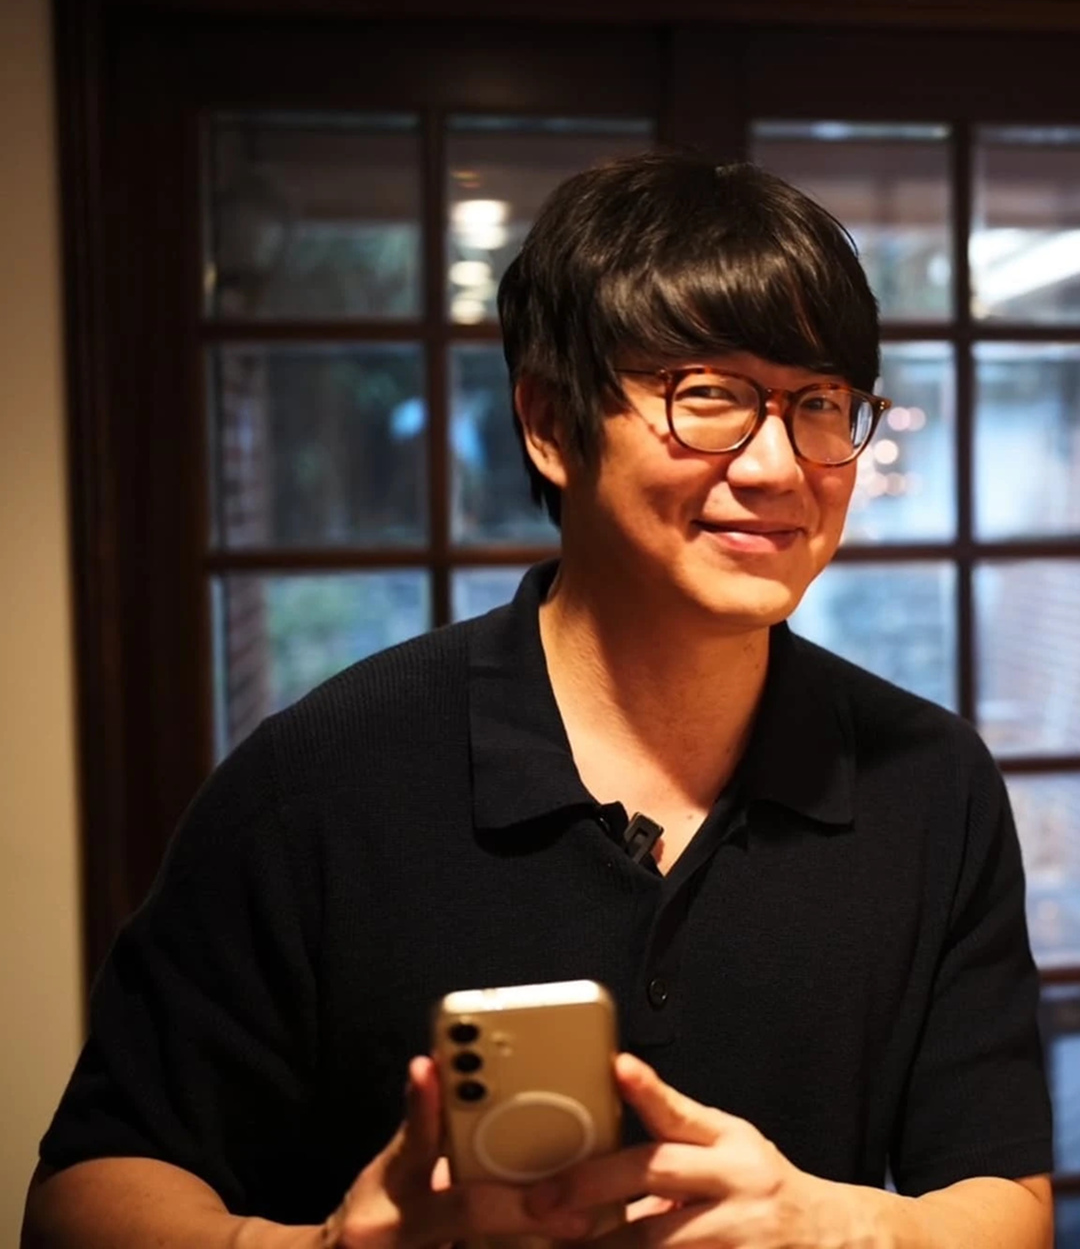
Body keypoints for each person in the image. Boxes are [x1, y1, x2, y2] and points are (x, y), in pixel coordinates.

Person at [23, 154, 1053, 1249]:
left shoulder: (929, 785)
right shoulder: (321, 778)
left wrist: (834, 1227)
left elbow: (1007, 1204)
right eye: (710, 397)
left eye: (820, 404)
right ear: (551, 424)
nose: (777, 467)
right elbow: (86, 1194)